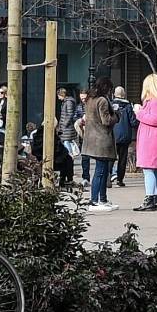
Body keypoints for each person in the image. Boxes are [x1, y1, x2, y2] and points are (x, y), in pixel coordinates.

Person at [131, 74, 157, 212]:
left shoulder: (154, 102)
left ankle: (150, 199)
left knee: (148, 169)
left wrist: (139, 112)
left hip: (151, 141)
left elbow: (154, 119)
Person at [82, 78, 119, 212]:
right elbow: (106, 120)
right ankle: (95, 200)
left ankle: (102, 199)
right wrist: (116, 115)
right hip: (102, 140)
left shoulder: (90, 99)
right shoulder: (102, 100)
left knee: (102, 171)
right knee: (101, 171)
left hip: (91, 139)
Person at [54, 87, 81, 186]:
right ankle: (67, 175)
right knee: (66, 150)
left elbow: (69, 115)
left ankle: (68, 175)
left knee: (67, 152)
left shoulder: (68, 102)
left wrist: (64, 125)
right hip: (65, 129)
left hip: (67, 130)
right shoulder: (66, 102)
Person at [111, 86, 136, 188]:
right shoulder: (128, 106)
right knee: (122, 159)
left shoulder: (111, 105)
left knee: (110, 158)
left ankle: (108, 178)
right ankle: (120, 179)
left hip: (113, 135)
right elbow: (133, 122)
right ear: (124, 94)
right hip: (125, 136)